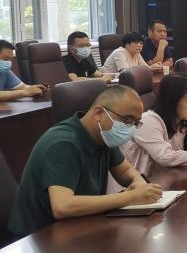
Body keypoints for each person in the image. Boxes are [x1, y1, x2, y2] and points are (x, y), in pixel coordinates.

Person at [6, 85, 163, 237]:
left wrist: (138, 183)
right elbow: (62, 206)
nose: (131, 128)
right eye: (127, 120)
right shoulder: (62, 143)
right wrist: (131, 197)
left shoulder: (104, 136)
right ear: (99, 113)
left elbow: (124, 170)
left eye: (136, 123)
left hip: (78, 225)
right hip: (38, 236)